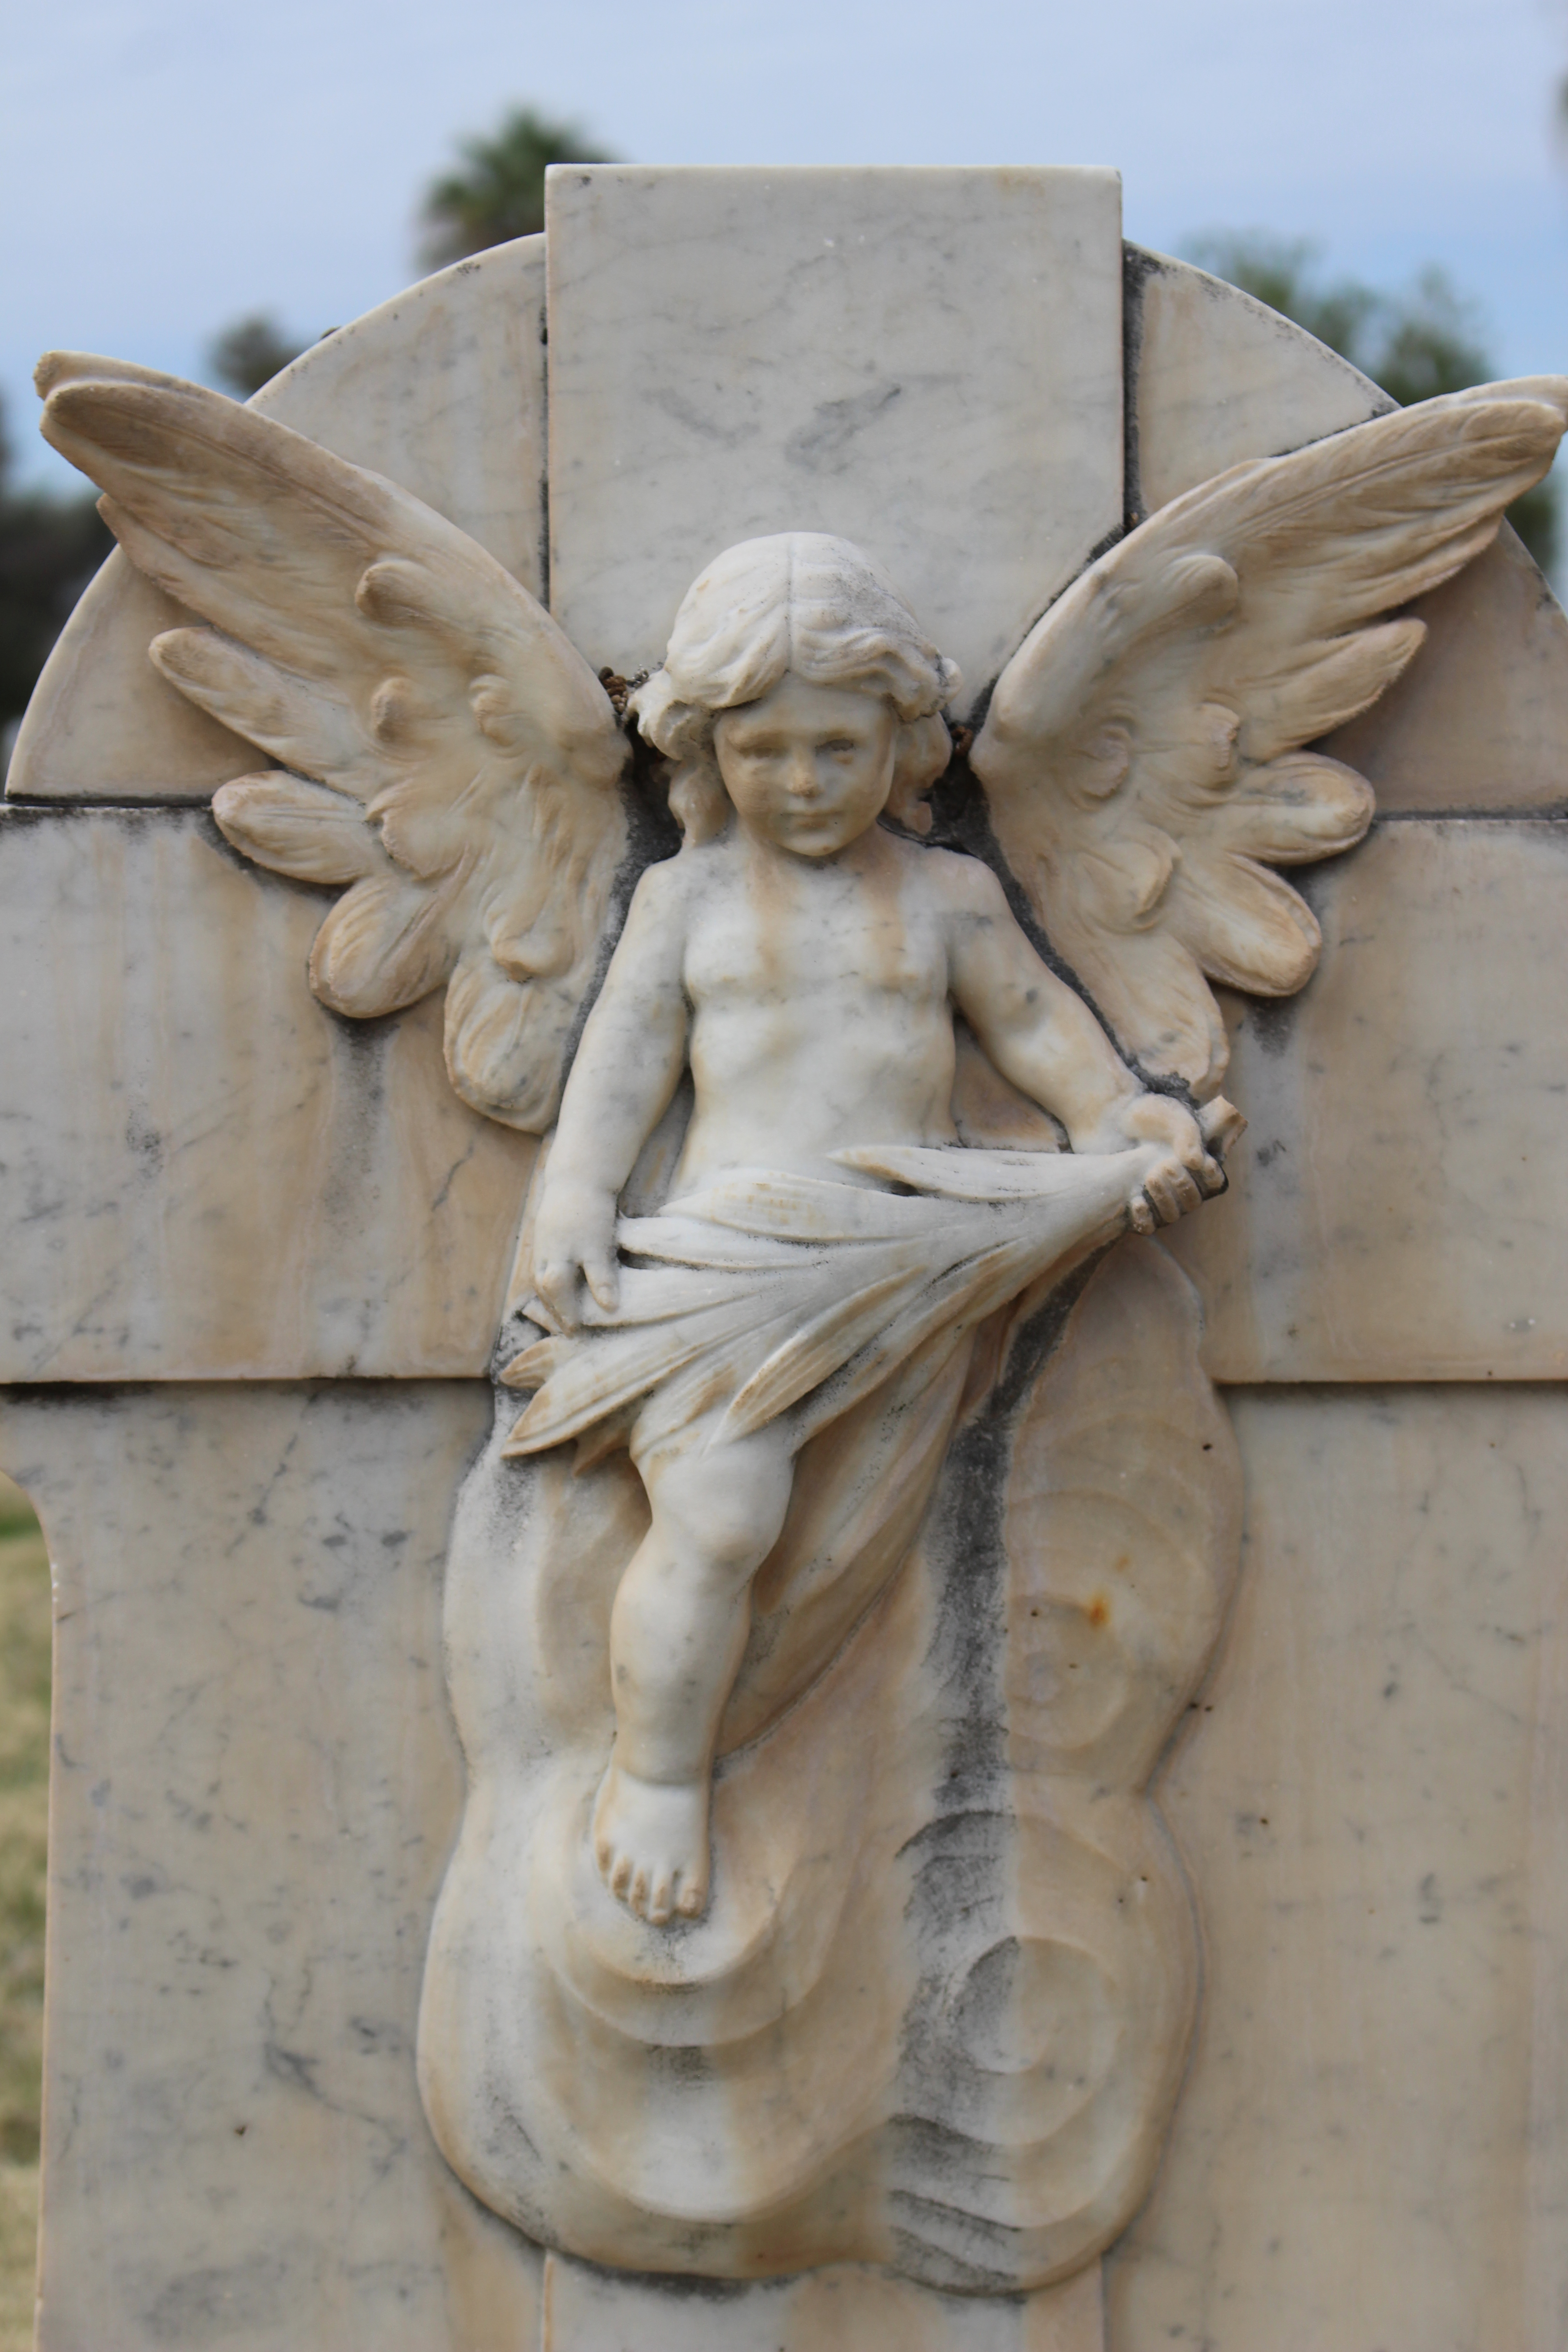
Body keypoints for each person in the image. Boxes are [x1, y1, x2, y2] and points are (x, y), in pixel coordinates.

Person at [506, 534, 1221, 1927]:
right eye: (763, 753)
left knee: (865, 1539)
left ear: (903, 741)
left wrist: (1119, 1121)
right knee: (719, 1517)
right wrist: (577, 1196)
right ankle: (655, 1774)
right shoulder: (687, 900)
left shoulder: (948, 900)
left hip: (900, 1271)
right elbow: (622, 1065)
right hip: (731, 1273)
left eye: (837, 749)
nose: (802, 783)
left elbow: (1037, 1030)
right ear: (707, 749)